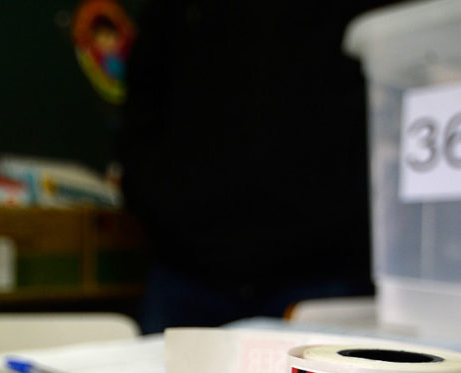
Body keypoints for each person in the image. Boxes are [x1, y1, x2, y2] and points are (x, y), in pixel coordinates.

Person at [118, 0, 388, 333]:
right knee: (159, 366)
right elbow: (144, 98)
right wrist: (160, 205)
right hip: (186, 267)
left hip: (326, 267)